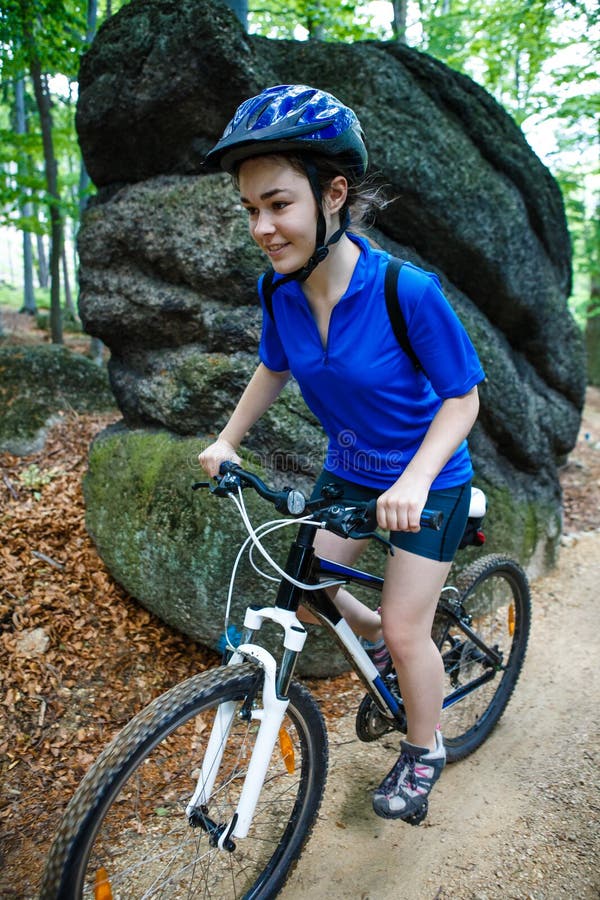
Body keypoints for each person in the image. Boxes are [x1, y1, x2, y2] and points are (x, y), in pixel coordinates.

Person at [199, 84, 485, 825]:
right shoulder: (280, 292)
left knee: (407, 627)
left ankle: (424, 748)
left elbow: (463, 400)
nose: (263, 227)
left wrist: (415, 480)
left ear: (333, 195)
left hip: (430, 481)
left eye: (279, 204)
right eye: (250, 209)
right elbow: (273, 367)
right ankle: (379, 637)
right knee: (307, 582)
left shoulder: (404, 291)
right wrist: (228, 439)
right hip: (351, 470)